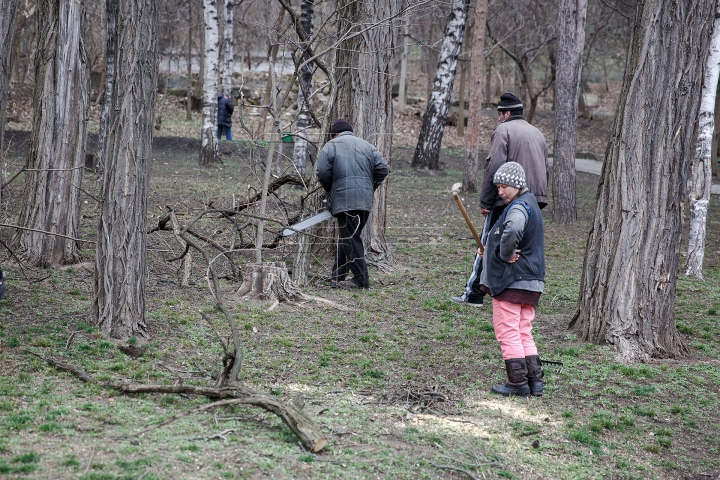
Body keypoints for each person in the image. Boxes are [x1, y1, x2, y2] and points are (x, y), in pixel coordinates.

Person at [451, 92, 549, 307]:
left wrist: (487, 201)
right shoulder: (537, 133)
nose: (498, 118)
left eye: (500, 114)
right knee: (520, 248)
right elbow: (545, 167)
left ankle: (474, 293)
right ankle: (515, 292)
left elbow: (493, 167)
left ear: (506, 113)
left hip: (506, 200)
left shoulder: (503, 130)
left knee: (487, 244)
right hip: (533, 199)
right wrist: (539, 198)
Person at [479, 162, 545, 397]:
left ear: (517, 185)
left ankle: (517, 383)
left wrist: (503, 254)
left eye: (504, 186)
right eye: (497, 187)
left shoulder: (518, 206)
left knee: (508, 332)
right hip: (530, 282)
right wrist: (490, 247)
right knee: (523, 331)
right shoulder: (531, 205)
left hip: (511, 282)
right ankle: (534, 382)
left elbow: (515, 227)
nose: (500, 192)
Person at [316, 119, 389, 289]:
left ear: (334, 133)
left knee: (350, 238)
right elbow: (383, 169)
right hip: (364, 200)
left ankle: (361, 279)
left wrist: (332, 189)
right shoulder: (367, 146)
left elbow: (322, 172)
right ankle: (337, 277)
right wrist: (370, 187)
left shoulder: (331, 145)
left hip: (345, 200)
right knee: (348, 237)